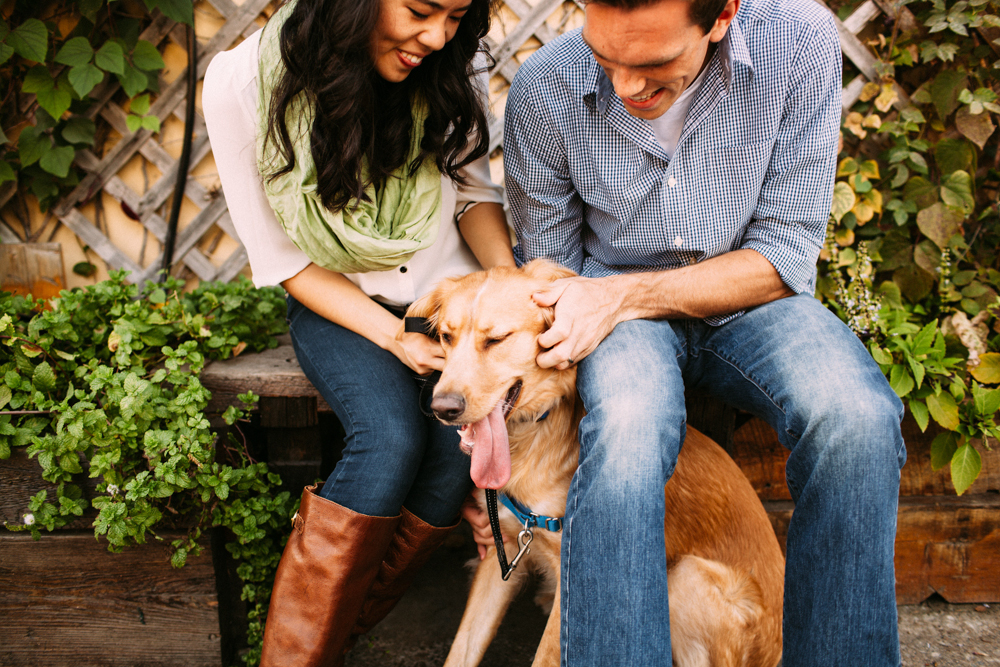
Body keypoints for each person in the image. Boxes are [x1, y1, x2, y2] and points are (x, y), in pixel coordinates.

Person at [504, 0, 906, 665]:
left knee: (856, 416)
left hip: (749, 296)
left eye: (656, 64)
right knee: (628, 423)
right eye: (607, 60)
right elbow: (552, 275)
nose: (626, 87)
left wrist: (624, 294)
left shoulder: (797, 40)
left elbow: (782, 253)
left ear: (722, 15)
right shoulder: (545, 86)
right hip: (613, 314)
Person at [202, 0, 514, 665]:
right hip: (339, 300)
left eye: (456, 17)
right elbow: (285, 260)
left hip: (447, 300)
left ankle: (335, 640)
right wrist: (394, 337)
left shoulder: (454, 64)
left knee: (450, 455)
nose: (435, 37)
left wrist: (508, 289)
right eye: (422, 10)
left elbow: (472, 195)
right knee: (389, 439)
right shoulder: (239, 84)